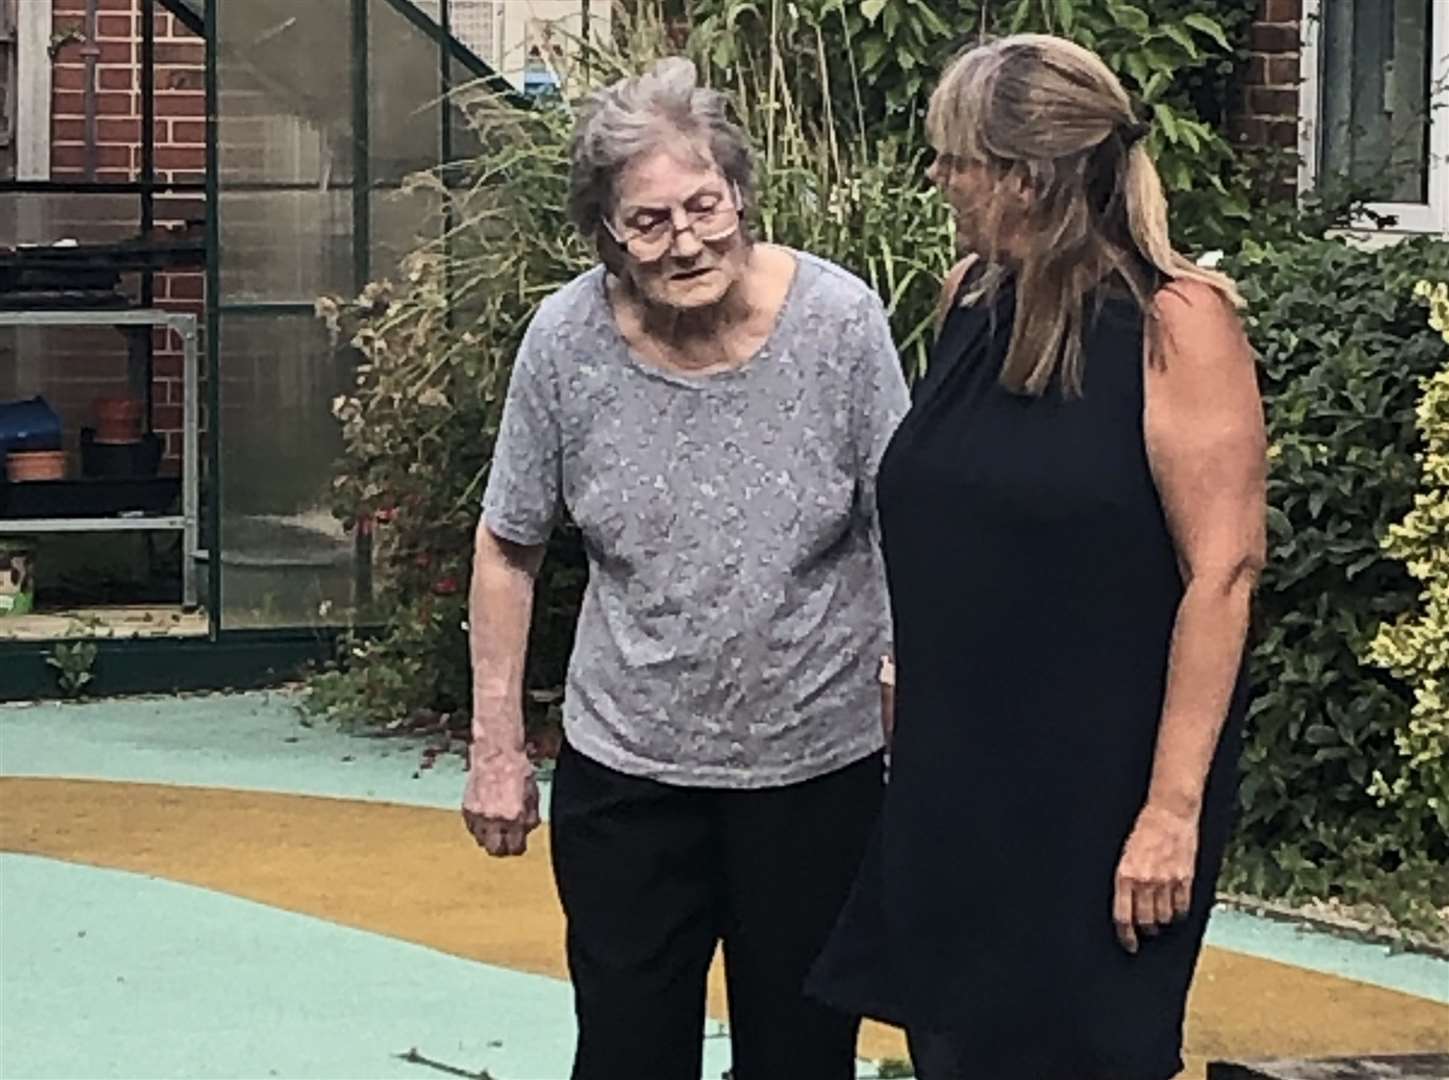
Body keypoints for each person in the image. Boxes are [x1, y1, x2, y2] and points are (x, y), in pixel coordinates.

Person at [809, 34, 1268, 1080]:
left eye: (954, 159)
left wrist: (1169, 812)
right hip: (955, 784)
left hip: (1100, 798)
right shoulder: (968, 295)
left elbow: (1224, 574)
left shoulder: (1177, 322)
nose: (939, 180)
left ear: (1024, 174)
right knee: (958, 1054)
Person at [460, 57, 910, 1080]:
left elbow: (907, 527)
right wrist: (498, 744)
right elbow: (508, 542)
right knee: (624, 1055)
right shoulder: (566, 341)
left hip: (814, 774)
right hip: (629, 775)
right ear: (607, 237)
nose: (686, 240)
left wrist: (910, 694)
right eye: (649, 222)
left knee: (799, 1059)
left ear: (740, 195)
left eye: (703, 205)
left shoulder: (840, 326)